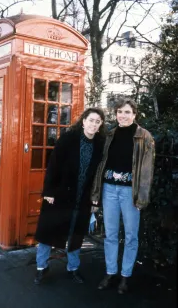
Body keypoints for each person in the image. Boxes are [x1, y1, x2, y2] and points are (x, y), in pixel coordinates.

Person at [34, 107, 106, 285]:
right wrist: (49, 191)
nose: (93, 124)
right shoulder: (68, 139)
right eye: (91, 120)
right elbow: (53, 165)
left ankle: (73, 268)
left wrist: (96, 198)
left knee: (76, 233)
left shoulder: (100, 144)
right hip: (60, 194)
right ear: (83, 121)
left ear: (101, 125)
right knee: (48, 231)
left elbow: (99, 174)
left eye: (98, 122)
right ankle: (41, 267)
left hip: (82, 197)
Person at [91, 98, 155, 294]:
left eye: (127, 112)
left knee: (130, 236)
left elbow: (146, 171)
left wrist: (141, 197)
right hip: (110, 189)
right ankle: (111, 272)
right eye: (120, 111)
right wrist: (96, 191)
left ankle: (125, 276)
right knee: (110, 234)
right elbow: (101, 164)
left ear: (134, 114)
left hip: (130, 192)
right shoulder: (110, 134)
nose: (123, 115)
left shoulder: (144, 137)